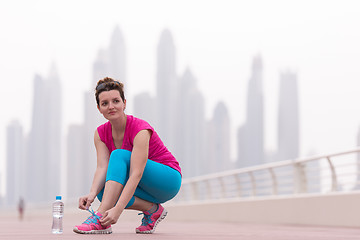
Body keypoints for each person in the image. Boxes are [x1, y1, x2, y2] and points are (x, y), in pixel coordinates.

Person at [73, 77, 182, 234]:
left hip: (167, 180)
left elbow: (136, 173)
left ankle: (99, 218)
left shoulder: (140, 129)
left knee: (118, 155)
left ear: (124, 103)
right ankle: (152, 210)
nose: (111, 106)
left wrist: (118, 209)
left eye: (116, 101)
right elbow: (102, 167)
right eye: (105, 103)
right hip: (144, 185)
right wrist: (91, 193)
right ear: (99, 108)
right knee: (103, 192)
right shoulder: (100, 133)